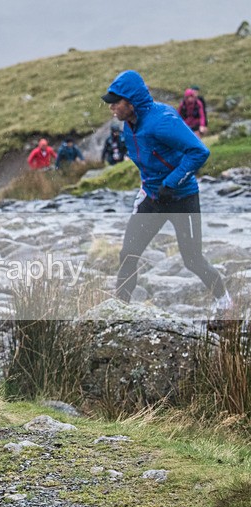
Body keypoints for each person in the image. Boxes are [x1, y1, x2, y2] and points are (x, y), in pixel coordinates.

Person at [102, 70, 232, 326]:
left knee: (192, 260)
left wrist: (172, 182)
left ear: (131, 101)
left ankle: (224, 301)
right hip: (152, 199)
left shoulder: (161, 121)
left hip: (182, 198)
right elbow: (145, 162)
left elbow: (199, 152)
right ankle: (119, 312)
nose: (111, 108)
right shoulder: (128, 126)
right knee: (128, 253)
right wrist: (147, 188)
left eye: (115, 102)